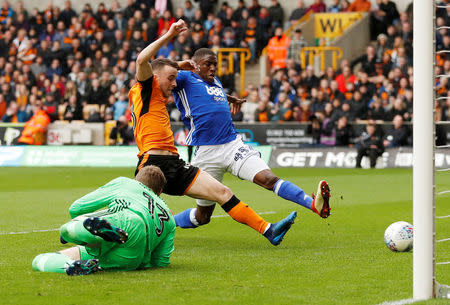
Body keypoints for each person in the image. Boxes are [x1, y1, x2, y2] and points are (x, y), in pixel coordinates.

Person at [130, 19, 297, 246]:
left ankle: (269, 230)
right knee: (135, 217)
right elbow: (143, 60)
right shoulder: (146, 88)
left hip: (176, 165)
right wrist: (170, 34)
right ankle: (92, 236)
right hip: (152, 163)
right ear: (154, 77)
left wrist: (179, 65)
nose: (174, 83)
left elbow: (164, 68)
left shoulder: (158, 92)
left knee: (223, 192)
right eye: (170, 79)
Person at [172, 47, 331, 231]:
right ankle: (168, 223)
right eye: (207, 64)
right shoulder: (184, 78)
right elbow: (151, 70)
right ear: (195, 65)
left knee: (268, 179)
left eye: (215, 64)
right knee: (203, 216)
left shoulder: (214, 81)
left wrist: (231, 99)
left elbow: (209, 95)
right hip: (206, 153)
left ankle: (314, 205)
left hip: (232, 145)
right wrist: (179, 65)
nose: (213, 68)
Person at [32, 166, 175, 275]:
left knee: (64, 231)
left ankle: (84, 235)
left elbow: (76, 208)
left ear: (136, 180)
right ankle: (82, 263)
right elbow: (161, 261)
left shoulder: (125, 183)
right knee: (93, 256)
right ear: (160, 192)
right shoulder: (168, 215)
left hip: (125, 219)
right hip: (133, 258)